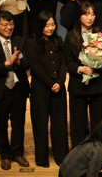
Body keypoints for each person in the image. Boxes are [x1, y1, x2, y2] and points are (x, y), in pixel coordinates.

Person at [0, 10, 31, 170]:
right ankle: (4, 155)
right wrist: (7, 63)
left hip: (18, 88)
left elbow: (27, 64)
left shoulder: (20, 41)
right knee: (1, 125)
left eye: (11, 24)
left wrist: (17, 62)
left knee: (18, 123)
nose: (9, 27)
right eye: (5, 24)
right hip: (0, 90)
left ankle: (18, 153)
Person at [65, 2, 102, 148]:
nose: (90, 17)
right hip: (79, 85)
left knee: (98, 123)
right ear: (79, 16)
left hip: (98, 84)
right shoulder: (71, 35)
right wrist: (81, 69)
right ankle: (79, 153)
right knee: (78, 124)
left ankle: (98, 152)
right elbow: (68, 61)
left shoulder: (101, 35)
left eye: (93, 14)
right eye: (86, 14)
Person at [26, 10, 68, 168]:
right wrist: (50, 84)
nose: (50, 28)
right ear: (40, 26)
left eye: (52, 24)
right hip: (40, 88)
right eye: (46, 25)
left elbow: (63, 62)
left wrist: (60, 81)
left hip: (58, 87)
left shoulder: (58, 39)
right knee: (40, 123)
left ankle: (61, 156)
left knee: (59, 123)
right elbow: (35, 67)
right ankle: (42, 158)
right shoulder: (31, 42)